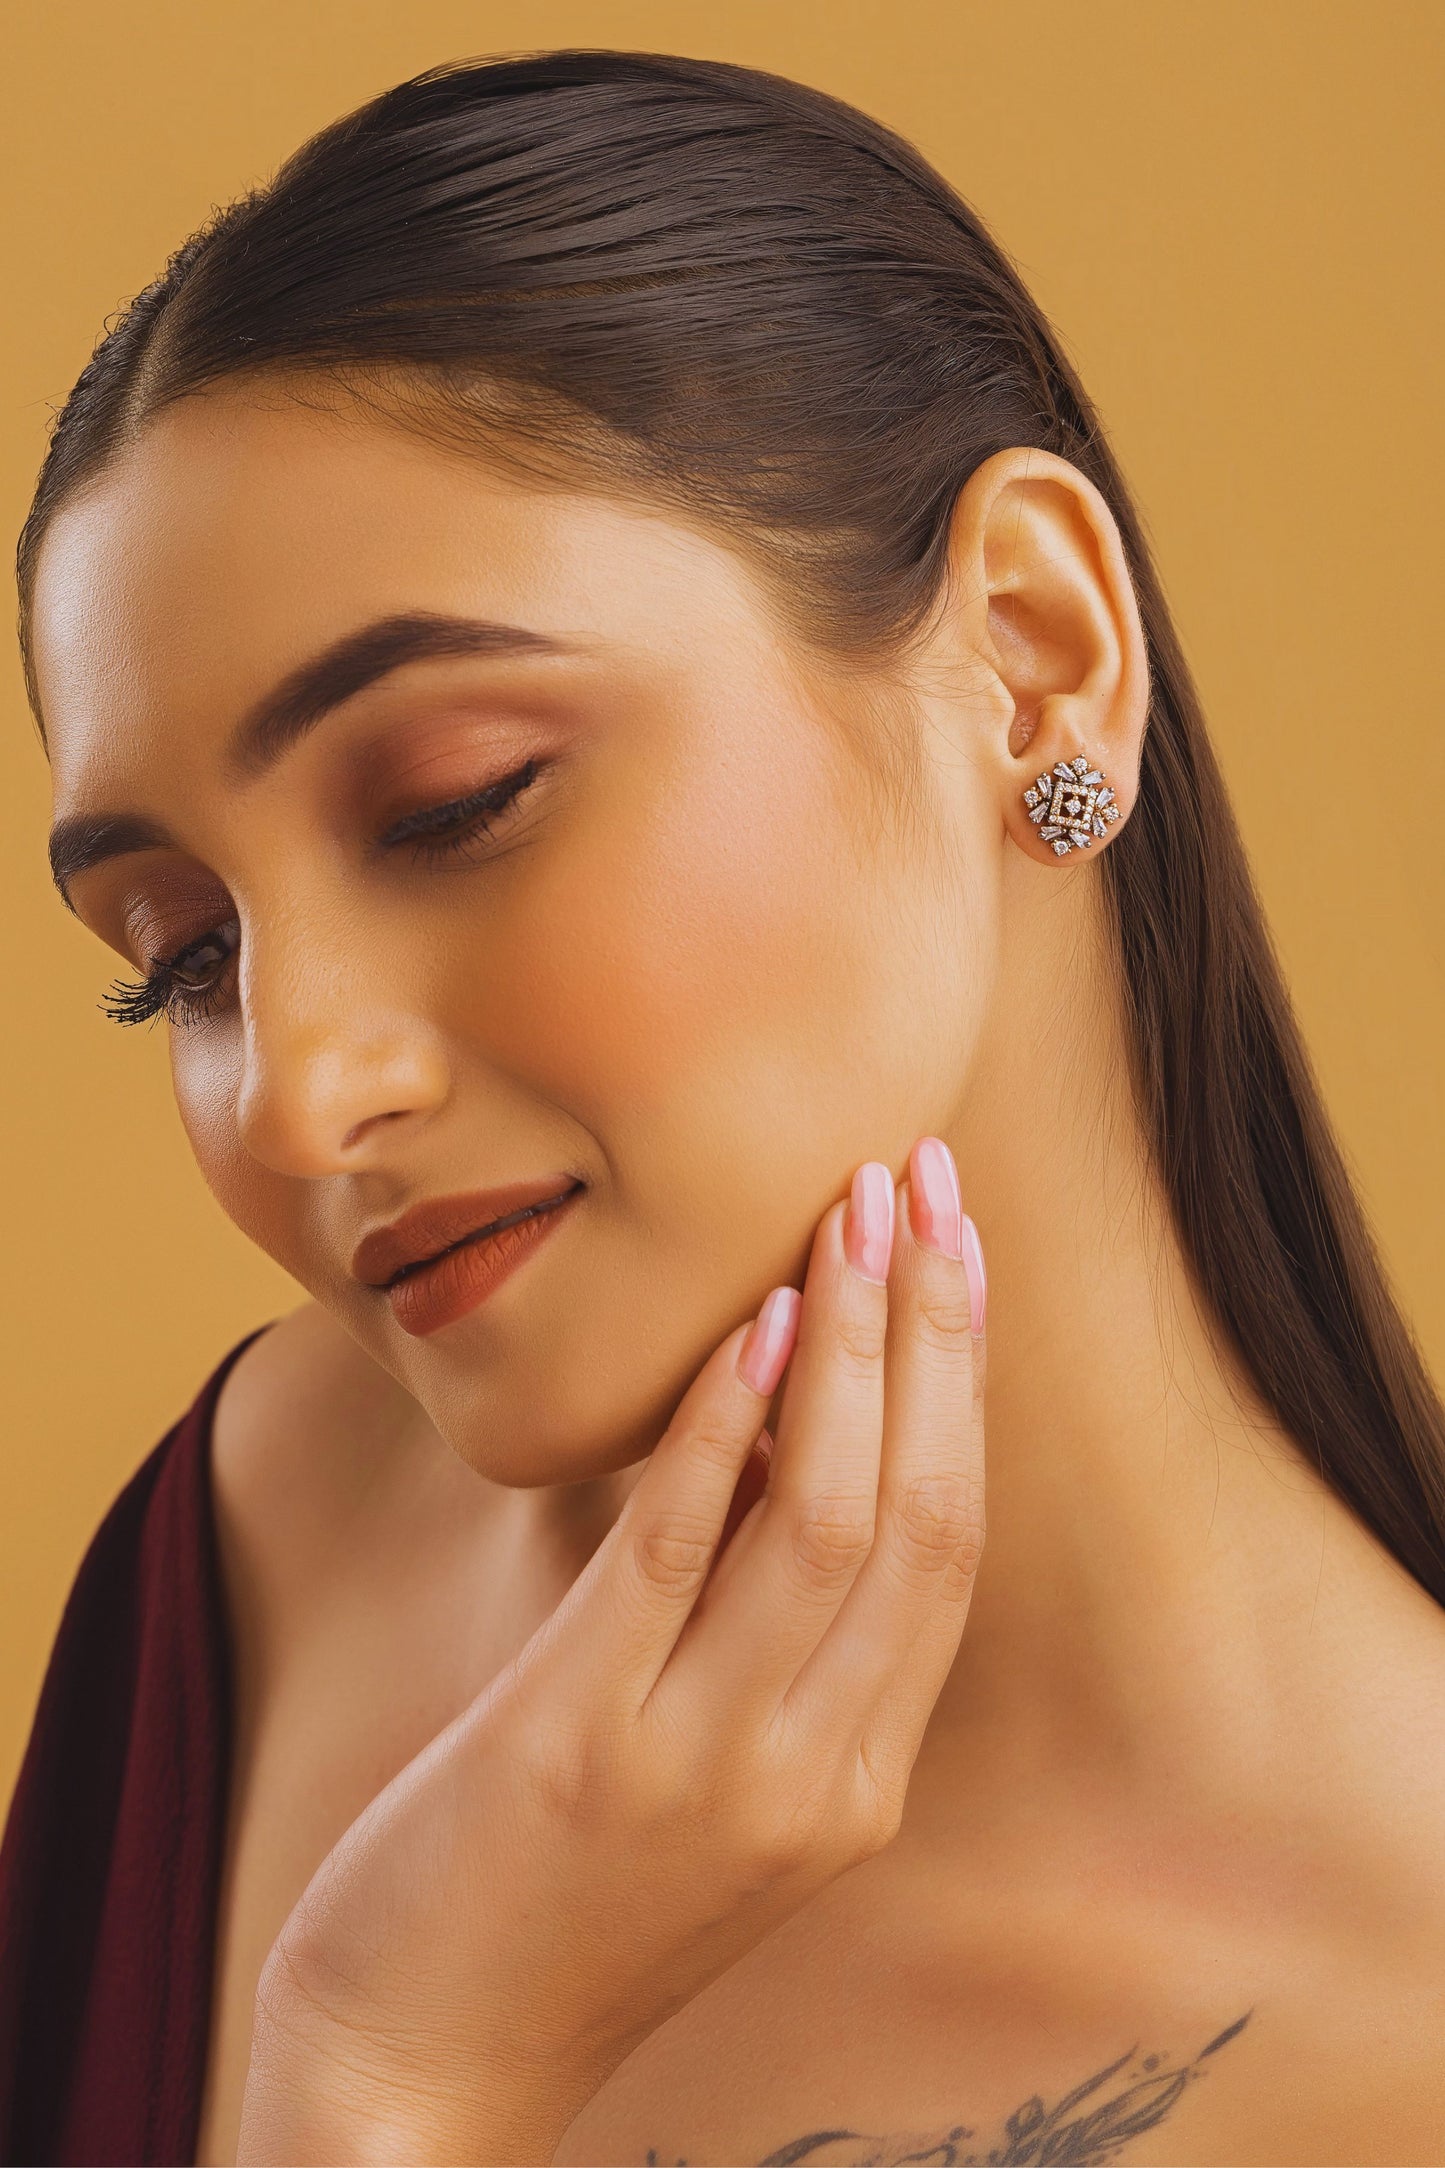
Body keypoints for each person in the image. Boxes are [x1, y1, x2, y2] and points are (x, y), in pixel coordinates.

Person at [3, 46, 1443, 2168]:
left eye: (455, 801)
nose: (301, 1098)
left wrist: (406, 2078)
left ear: (1036, 658)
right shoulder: (264, 1528)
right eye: (186, 956)